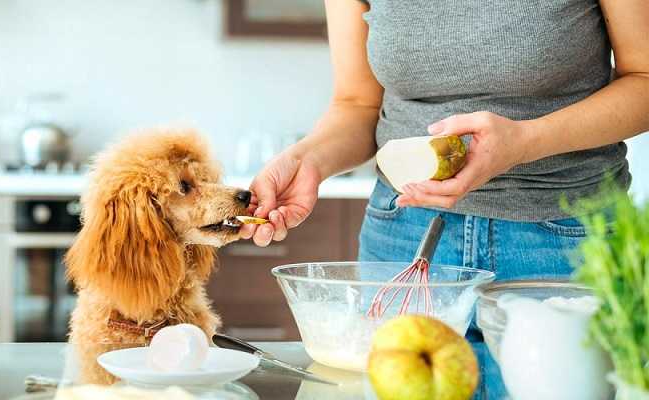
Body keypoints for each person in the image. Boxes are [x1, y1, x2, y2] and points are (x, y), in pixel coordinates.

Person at [241, 0, 649, 397]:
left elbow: (644, 78)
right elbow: (357, 103)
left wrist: (524, 142)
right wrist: (307, 160)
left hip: (561, 239)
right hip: (405, 235)